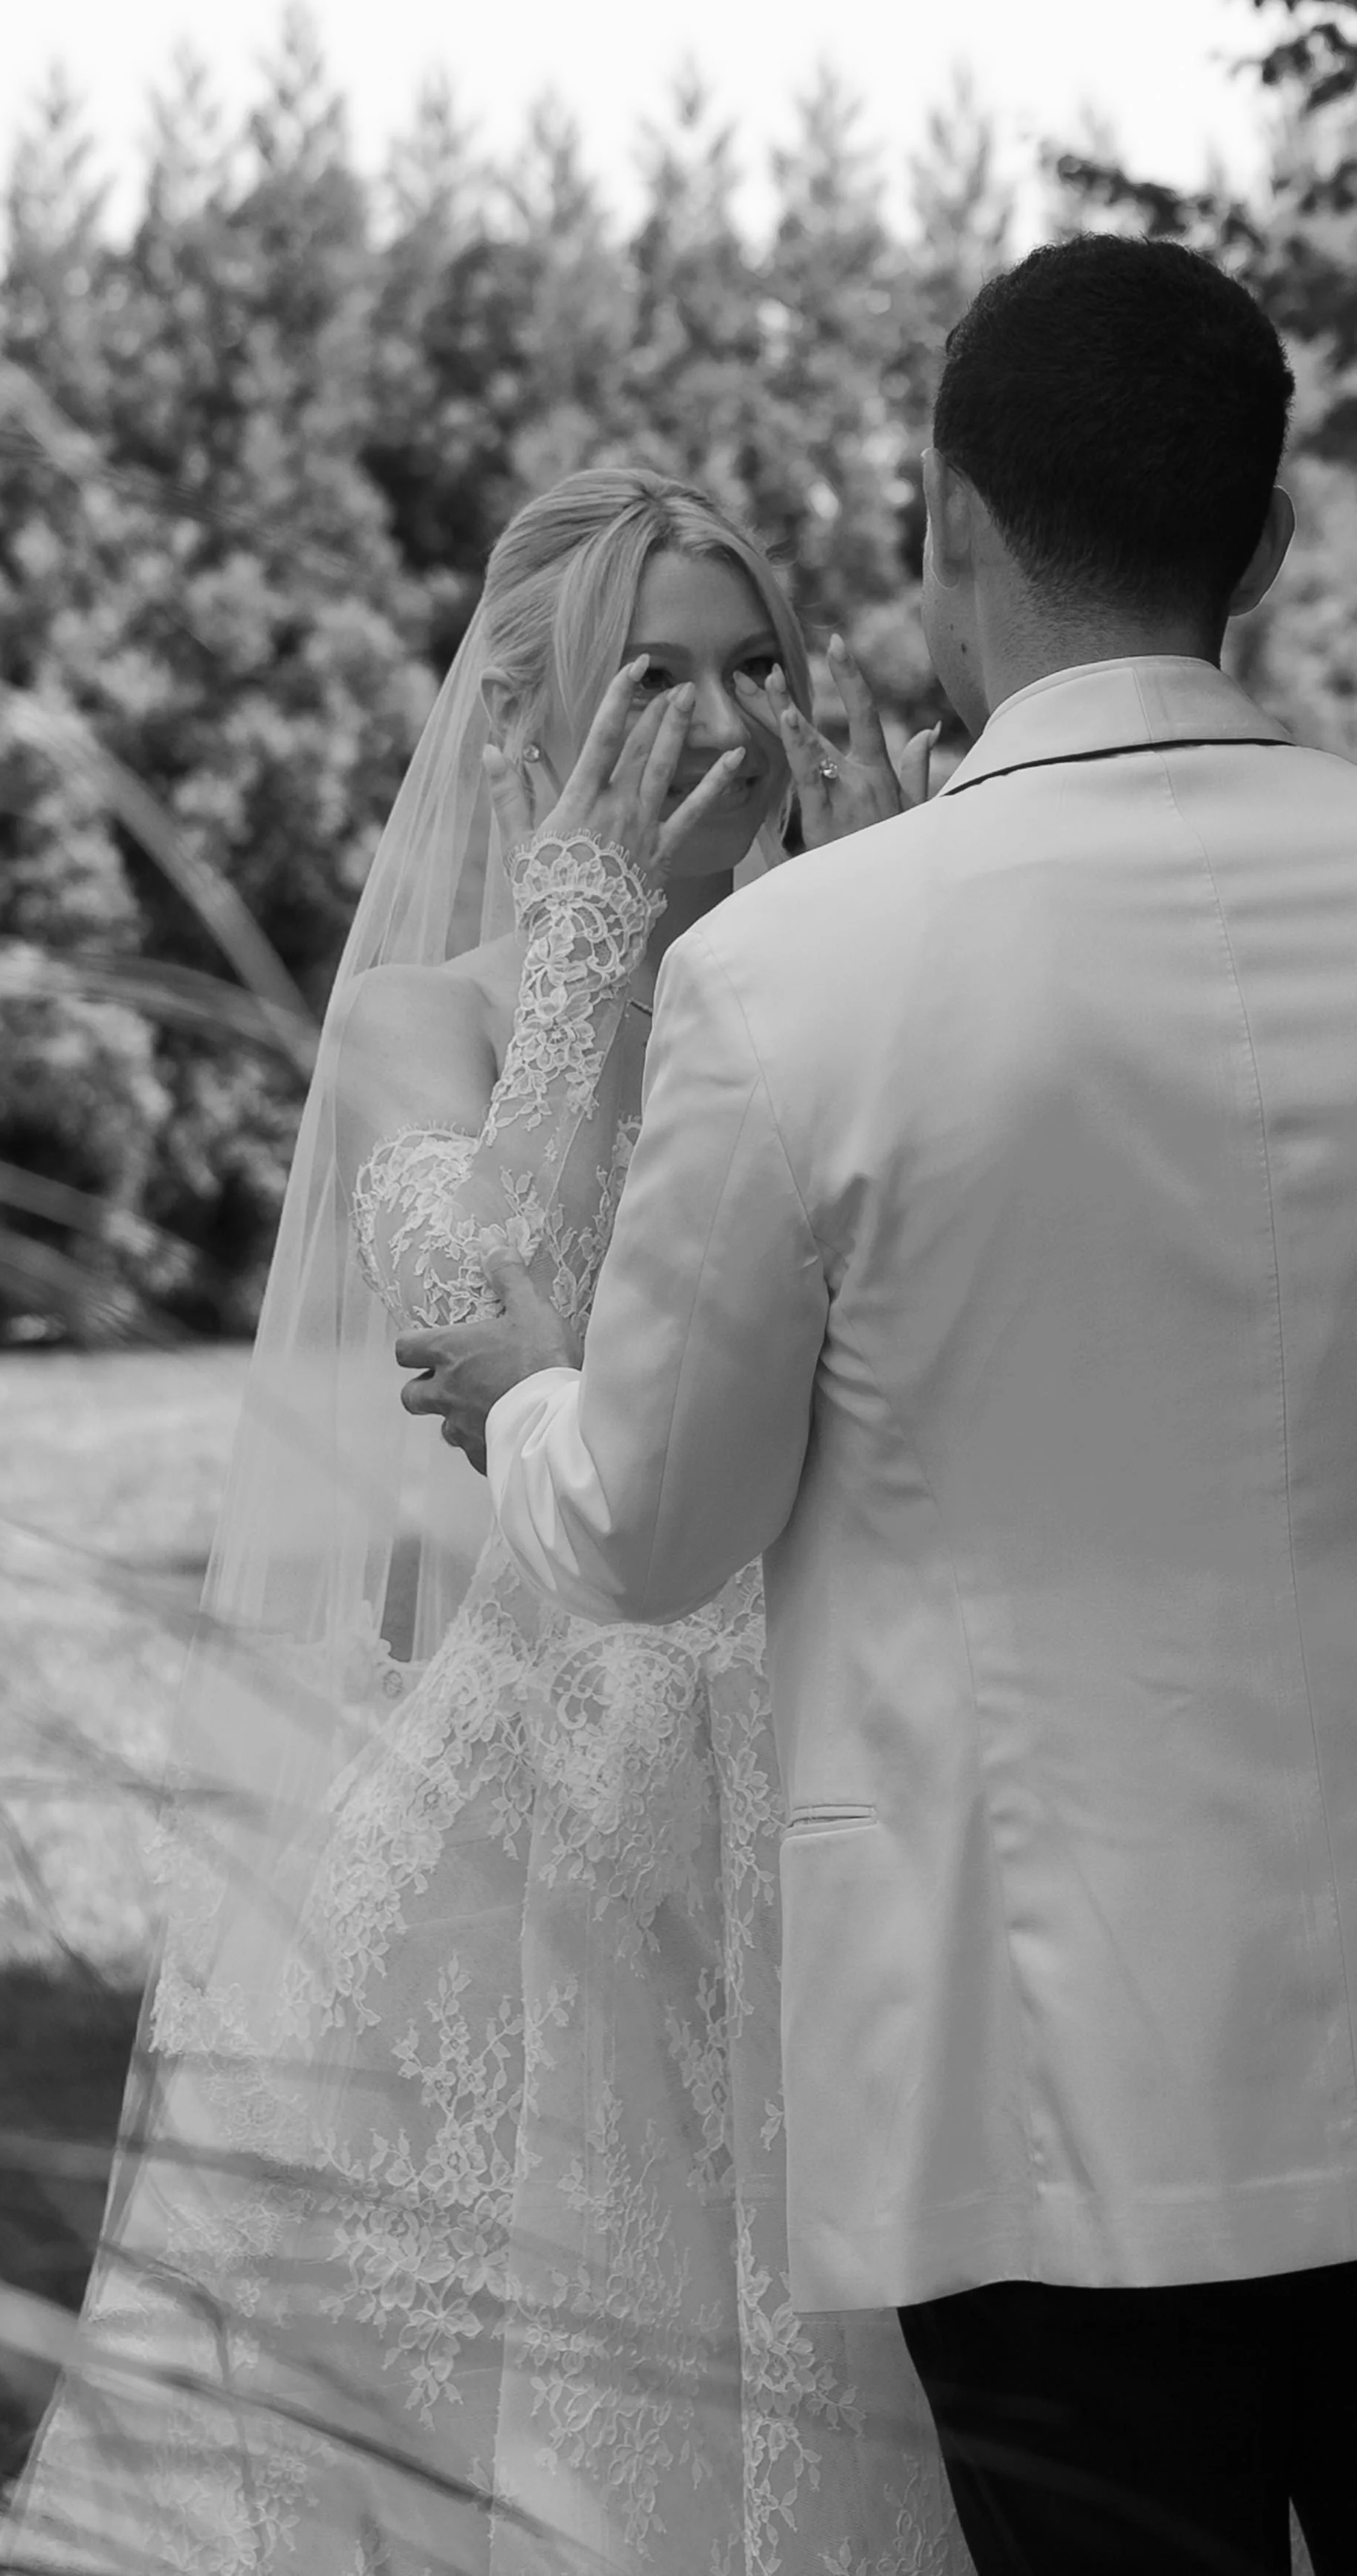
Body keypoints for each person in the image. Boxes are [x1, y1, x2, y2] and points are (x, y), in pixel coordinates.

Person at [401, 239, 1355, 2576]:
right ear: (1262, 545)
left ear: (947, 531)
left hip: (1042, 2102)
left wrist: (527, 1399)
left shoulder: (806, 974)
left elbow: (647, 1523)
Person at [0, 467, 965, 2576]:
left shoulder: (838, 979)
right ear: (525, 723)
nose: (722, 725)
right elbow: (466, 1322)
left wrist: (887, 913)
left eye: (756, 667)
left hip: (831, 1746)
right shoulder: (422, 1015)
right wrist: (595, 949)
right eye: (652, 681)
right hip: (548, 1775)